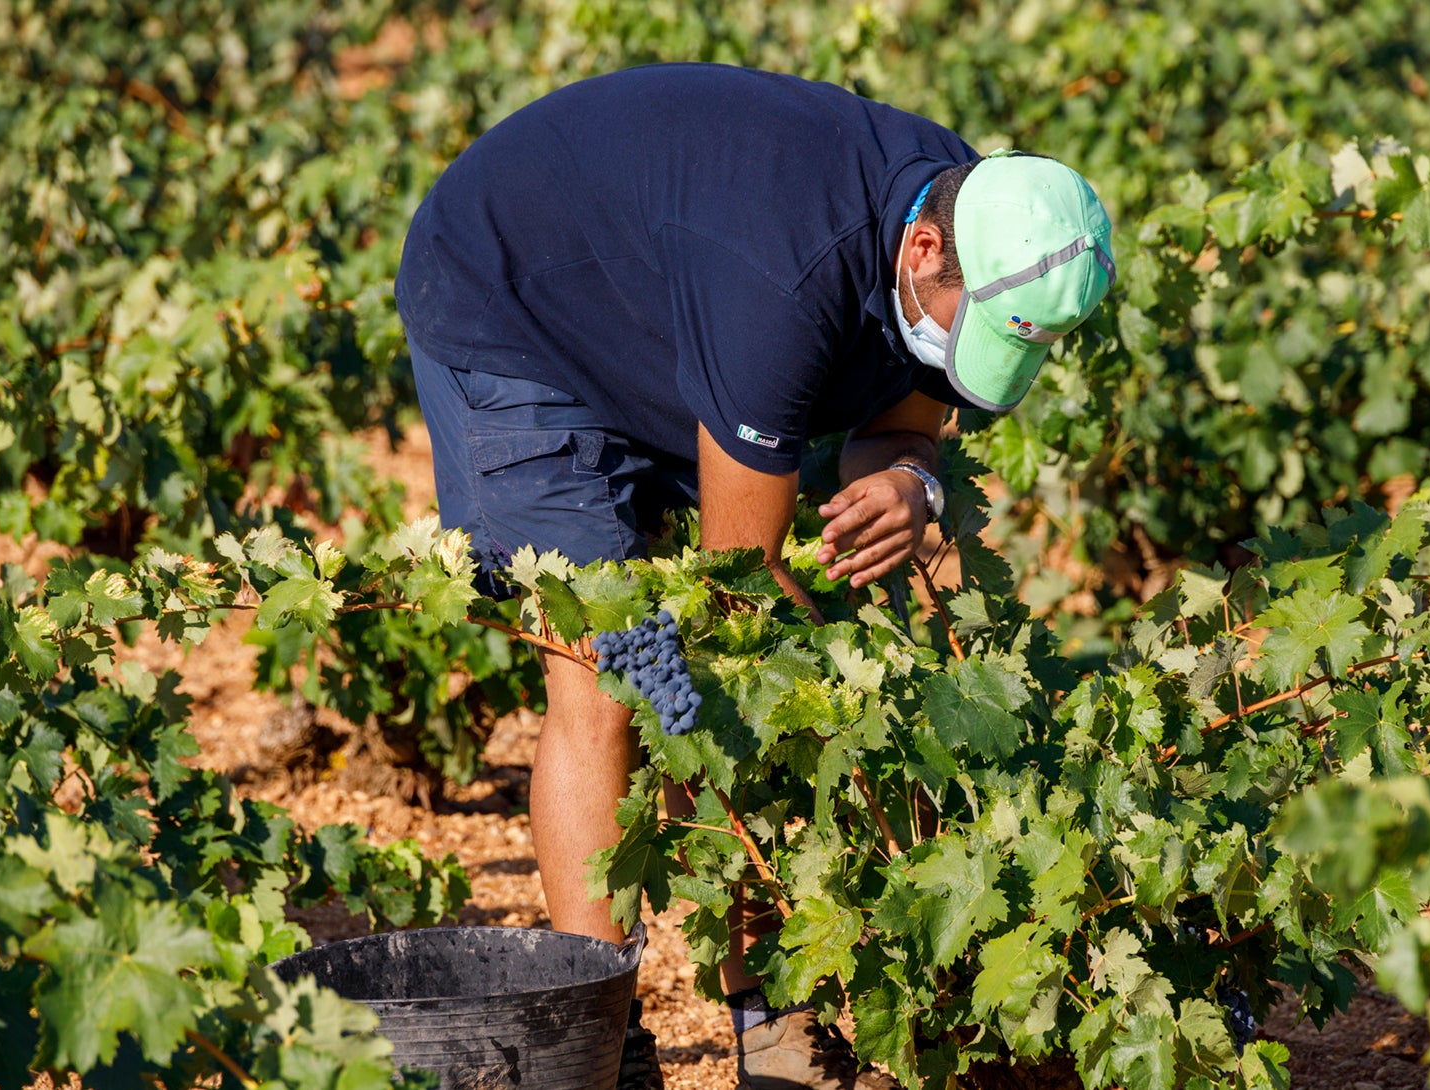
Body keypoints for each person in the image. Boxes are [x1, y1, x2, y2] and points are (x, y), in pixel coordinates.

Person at [395, 62, 1114, 1090]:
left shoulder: (990, 223)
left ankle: (769, 1023)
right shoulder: (782, 283)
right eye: (975, 330)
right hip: (515, 311)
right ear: (920, 252)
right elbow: (736, 598)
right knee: (623, 677)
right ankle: (600, 1048)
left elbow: (905, 422)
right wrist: (804, 703)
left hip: (661, 318)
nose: (971, 357)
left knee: (717, 684)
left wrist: (913, 483)